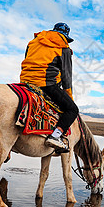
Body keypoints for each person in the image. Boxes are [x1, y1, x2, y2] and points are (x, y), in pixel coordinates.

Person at [20, 23, 79, 152]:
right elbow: (67, 77)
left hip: (25, 82)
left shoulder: (33, 42)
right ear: (66, 36)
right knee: (72, 109)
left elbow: (26, 60)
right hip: (46, 84)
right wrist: (70, 97)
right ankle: (55, 136)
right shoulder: (64, 48)